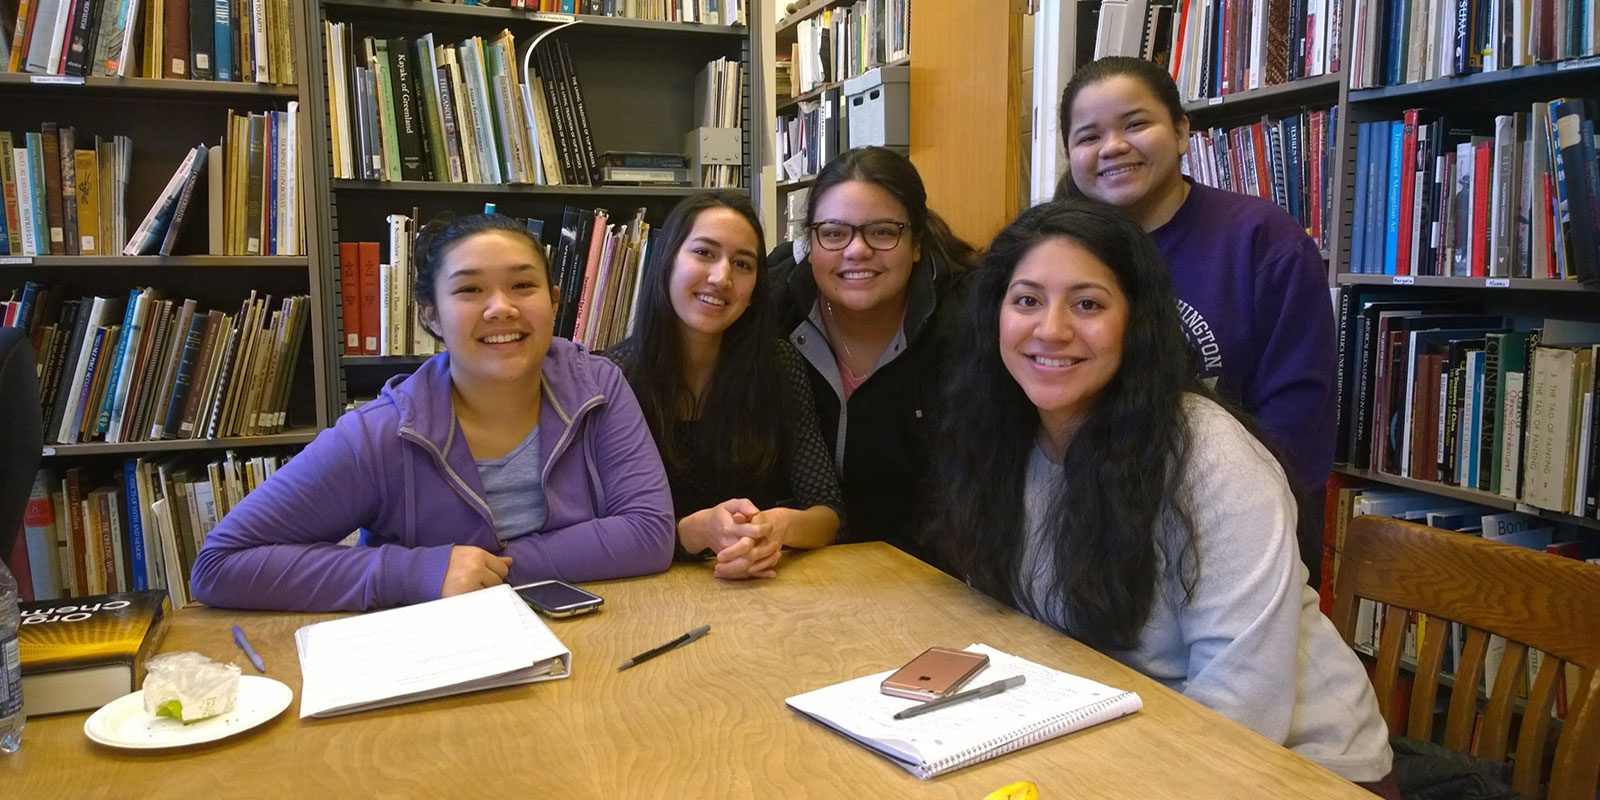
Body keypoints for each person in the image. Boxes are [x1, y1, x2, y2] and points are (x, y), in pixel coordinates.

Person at [931, 200, 1395, 796]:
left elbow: (1245, 704)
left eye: (1088, 304)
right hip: (1125, 738)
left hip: (1296, 768)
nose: (1051, 329)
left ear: (1137, 322)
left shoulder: (1209, 455)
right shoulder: (1004, 433)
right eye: (1026, 300)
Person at [190, 214, 675, 612]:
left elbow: (649, 533)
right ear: (430, 315)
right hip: (438, 667)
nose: (501, 308)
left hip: (591, 641)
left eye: (523, 285)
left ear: (552, 303)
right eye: (469, 291)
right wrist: (419, 572)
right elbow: (220, 565)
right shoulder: (380, 434)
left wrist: (495, 569)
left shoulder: (598, 385)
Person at [1055, 56, 1337, 579]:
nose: (1113, 146)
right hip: (1096, 532)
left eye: (1136, 124)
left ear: (1182, 132)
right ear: (1070, 154)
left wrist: (1214, 512)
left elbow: (1299, 413)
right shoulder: (1056, 251)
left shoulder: (1262, 240)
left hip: (1239, 535)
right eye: (1088, 136)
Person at [607, 192, 843, 579]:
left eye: (742, 264)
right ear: (666, 263)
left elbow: (829, 513)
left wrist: (778, 527)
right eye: (704, 253)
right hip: (650, 594)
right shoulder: (614, 378)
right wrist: (695, 532)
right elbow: (604, 528)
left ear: (755, 290)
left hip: (764, 590)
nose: (721, 278)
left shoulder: (779, 365)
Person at [767, 146, 977, 561]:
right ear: (810, 242)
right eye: (834, 232)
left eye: (882, 231)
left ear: (916, 243)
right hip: (791, 562)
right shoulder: (772, 311)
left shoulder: (968, 323)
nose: (857, 250)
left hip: (927, 573)